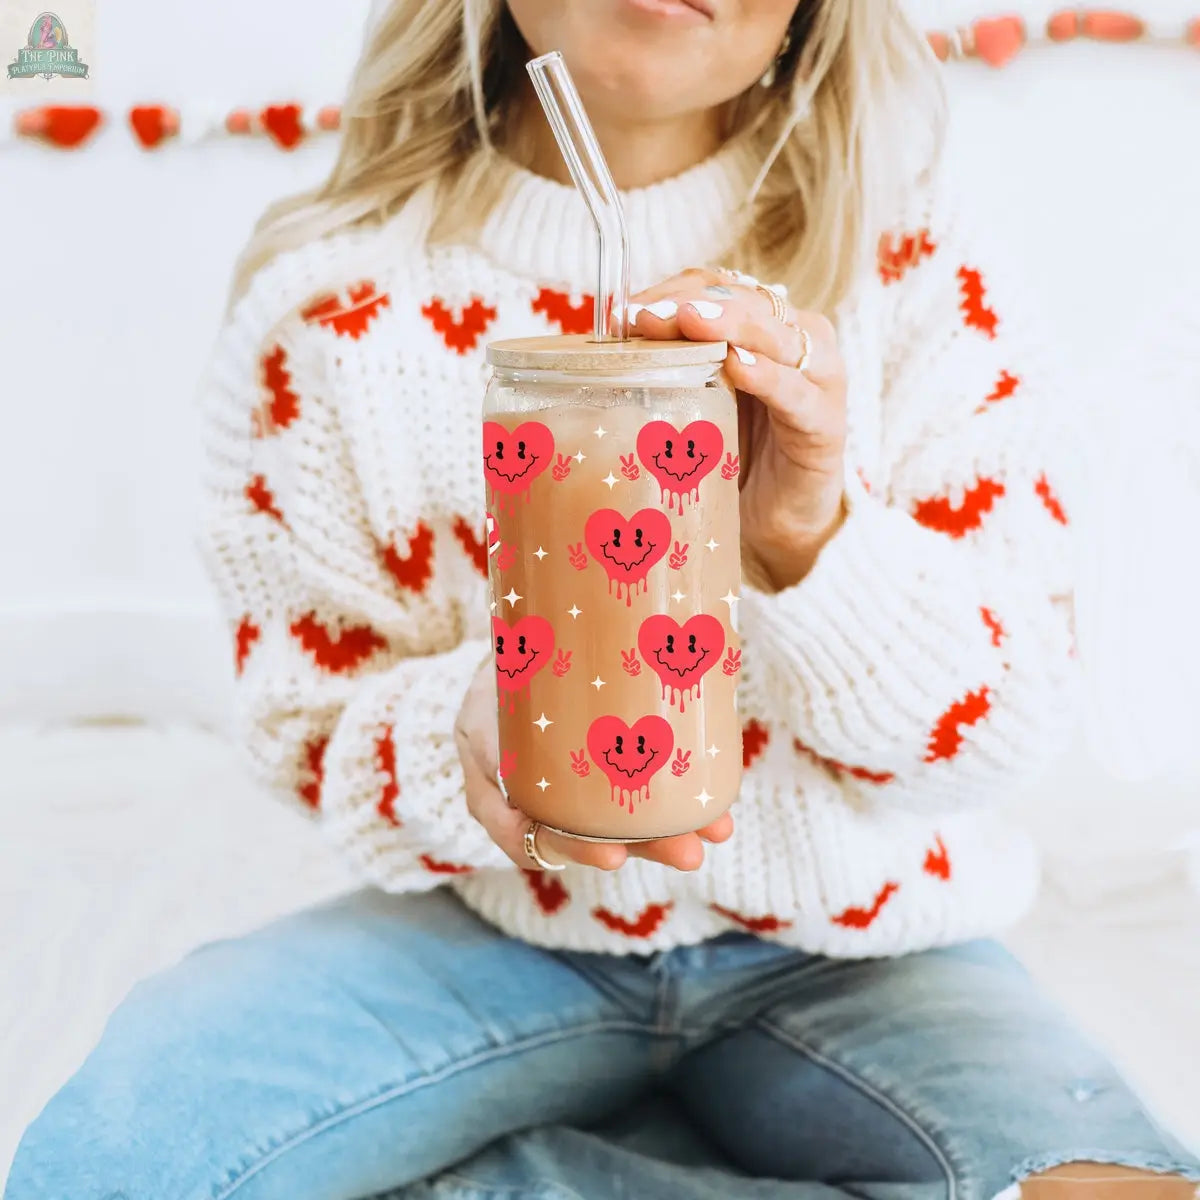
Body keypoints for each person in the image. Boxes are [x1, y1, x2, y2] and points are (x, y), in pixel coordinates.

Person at [8, 2, 1199, 1198]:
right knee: (110, 1162)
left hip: (861, 947)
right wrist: (467, 728)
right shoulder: (332, 312)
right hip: (499, 934)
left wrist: (805, 539)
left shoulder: (915, 263)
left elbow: (1007, 725)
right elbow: (305, 721)